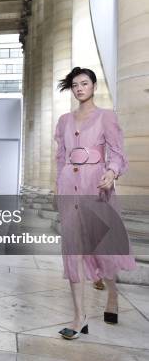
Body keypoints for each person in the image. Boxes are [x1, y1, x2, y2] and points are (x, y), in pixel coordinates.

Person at [54, 67, 136, 340]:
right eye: (75, 84)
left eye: (84, 83)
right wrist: (59, 186)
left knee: (104, 248)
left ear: (93, 86)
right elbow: (61, 157)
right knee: (73, 251)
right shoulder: (64, 120)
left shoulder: (106, 117)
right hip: (70, 188)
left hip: (97, 186)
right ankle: (80, 317)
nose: (79, 88)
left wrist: (112, 172)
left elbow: (118, 152)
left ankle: (112, 295)